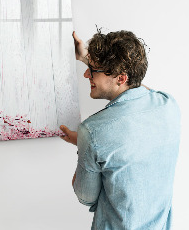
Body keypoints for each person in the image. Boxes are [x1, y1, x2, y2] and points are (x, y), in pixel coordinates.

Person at [60, 30, 180, 229]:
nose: (86, 74)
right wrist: (86, 58)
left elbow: (85, 197)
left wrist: (84, 144)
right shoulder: (168, 105)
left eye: (93, 70)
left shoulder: (92, 131)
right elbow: (138, 89)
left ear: (121, 78)